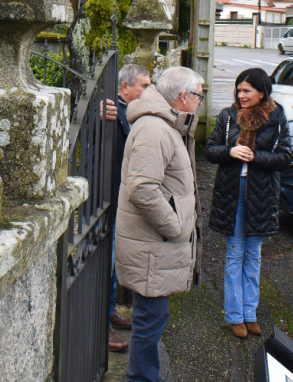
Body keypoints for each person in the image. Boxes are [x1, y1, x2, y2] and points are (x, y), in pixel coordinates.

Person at [115, 66, 203, 382]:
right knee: (150, 321)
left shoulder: (166, 126)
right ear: (184, 96)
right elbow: (142, 188)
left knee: (152, 319)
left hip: (154, 248)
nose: (200, 102)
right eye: (199, 95)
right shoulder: (156, 129)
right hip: (153, 247)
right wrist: (175, 226)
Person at [204, 68, 292, 339]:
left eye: (247, 91)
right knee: (234, 253)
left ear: (262, 92)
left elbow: (286, 158)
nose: (241, 95)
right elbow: (209, 150)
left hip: (261, 195)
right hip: (232, 194)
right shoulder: (228, 116)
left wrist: (256, 157)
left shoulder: (276, 118)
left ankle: (250, 313)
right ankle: (234, 315)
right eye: (239, 90)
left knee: (253, 255)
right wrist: (229, 151)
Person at [104, 64, 151, 352]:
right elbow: (92, 125)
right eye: (144, 85)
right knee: (105, 262)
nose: (148, 90)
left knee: (114, 263)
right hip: (107, 195)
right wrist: (98, 113)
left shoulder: (136, 112)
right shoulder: (111, 109)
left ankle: (109, 310)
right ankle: (101, 324)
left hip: (123, 198)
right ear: (125, 87)